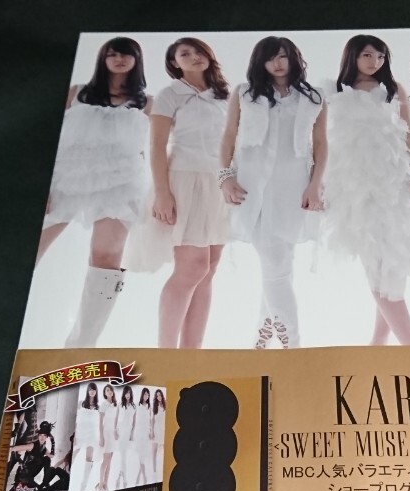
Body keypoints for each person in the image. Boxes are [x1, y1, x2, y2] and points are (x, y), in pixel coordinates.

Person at [323, 35, 410, 346]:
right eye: (367, 55)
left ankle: (377, 346)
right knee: (375, 265)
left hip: (394, 184)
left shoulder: (392, 89)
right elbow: (320, 141)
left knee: (394, 263)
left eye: (380, 56)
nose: (374, 61)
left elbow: (409, 134)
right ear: (352, 56)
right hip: (354, 189)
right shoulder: (334, 91)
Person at [34, 37, 151, 347]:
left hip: (122, 181)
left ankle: (81, 345)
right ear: (102, 58)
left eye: (126, 54)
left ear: (137, 60)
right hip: (68, 176)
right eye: (112, 53)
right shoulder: (75, 94)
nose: (119, 59)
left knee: (107, 256)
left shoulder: (147, 103)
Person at [220, 36, 326, 349]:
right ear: (260, 62)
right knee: (276, 265)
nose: (277, 64)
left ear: (293, 58)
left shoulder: (314, 97)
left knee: (280, 265)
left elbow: (321, 144)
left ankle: (261, 343)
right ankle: (292, 346)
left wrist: (315, 184)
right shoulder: (244, 93)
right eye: (269, 58)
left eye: (282, 56)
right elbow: (228, 136)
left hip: (293, 188)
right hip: (251, 189)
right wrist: (224, 177)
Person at [125, 38, 230, 348]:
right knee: (192, 267)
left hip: (219, 184)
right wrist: (162, 193)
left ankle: (191, 355)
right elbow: (157, 146)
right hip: (185, 181)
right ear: (174, 63)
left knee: (209, 269)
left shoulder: (224, 96)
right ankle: (166, 353)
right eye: (185, 54)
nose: (194, 57)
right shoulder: (170, 95)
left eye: (198, 51)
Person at [6, 421, 69, 491]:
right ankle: (19, 485)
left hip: (32, 475)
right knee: (37, 488)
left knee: (47, 459)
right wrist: (19, 459)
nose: (42, 437)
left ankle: (44, 482)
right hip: (24, 475)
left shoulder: (44, 448)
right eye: (40, 435)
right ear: (38, 436)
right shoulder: (32, 445)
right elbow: (15, 448)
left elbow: (51, 455)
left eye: (44, 435)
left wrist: (53, 441)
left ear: (47, 437)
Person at [74, 382, 102, 491]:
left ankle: (83, 488)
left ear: (96, 392)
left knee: (89, 459)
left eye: (94, 390)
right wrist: (75, 435)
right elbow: (76, 420)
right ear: (87, 391)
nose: (92, 391)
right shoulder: (81, 403)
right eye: (90, 389)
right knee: (74, 454)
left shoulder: (98, 407)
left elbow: (99, 424)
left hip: (92, 435)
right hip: (81, 433)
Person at [96, 385, 120, 491]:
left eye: (110, 390)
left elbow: (115, 421)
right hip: (106, 433)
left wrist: (116, 431)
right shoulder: (103, 405)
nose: (109, 391)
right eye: (107, 390)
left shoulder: (115, 404)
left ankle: (105, 484)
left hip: (112, 434)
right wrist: (101, 437)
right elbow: (100, 423)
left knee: (110, 461)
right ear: (105, 393)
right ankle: (100, 485)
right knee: (106, 460)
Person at [115, 385, 138, 490]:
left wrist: (132, 434)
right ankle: (123, 477)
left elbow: (134, 422)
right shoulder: (120, 405)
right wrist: (115, 430)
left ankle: (121, 475)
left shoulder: (134, 406)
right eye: (126, 393)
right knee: (122, 454)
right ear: (124, 394)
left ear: (131, 394)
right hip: (120, 431)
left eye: (129, 393)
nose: (127, 395)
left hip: (128, 432)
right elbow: (116, 418)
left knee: (124, 454)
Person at [133, 388, 154, 484]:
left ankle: (139, 477)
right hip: (139, 432)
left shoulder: (149, 407)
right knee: (141, 455)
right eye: (145, 394)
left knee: (143, 455)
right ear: (142, 395)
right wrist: (132, 432)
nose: (146, 396)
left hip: (146, 433)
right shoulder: (137, 405)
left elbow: (150, 420)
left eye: (148, 395)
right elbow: (134, 420)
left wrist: (151, 431)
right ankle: (144, 477)